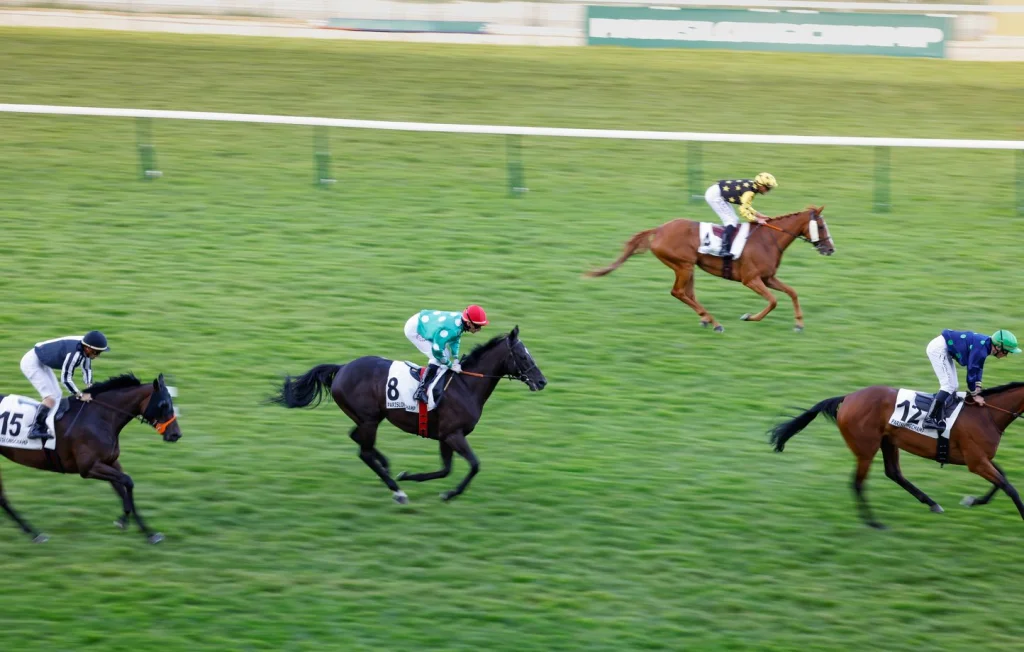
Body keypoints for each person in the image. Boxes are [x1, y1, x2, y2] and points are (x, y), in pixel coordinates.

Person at [923, 328, 1020, 431]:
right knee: (948, 386)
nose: (1005, 355)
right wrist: (975, 394)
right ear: (998, 347)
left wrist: (978, 385)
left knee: (954, 385)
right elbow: (971, 372)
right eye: (1006, 352)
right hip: (938, 349)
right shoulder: (981, 349)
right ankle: (929, 419)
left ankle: (942, 410)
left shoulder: (986, 345)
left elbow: (978, 367)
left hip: (945, 347)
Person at [21, 331, 110, 440]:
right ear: (88, 349)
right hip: (31, 362)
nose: (97, 356)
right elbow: (66, 379)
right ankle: (35, 429)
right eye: (97, 353)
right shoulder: (74, 354)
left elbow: (87, 369)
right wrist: (80, 395)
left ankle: (47, 424)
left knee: (57, 394)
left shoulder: (85, 345)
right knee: (50, 397)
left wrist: (90, 387)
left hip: (42, 360)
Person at [404, 306, 488, 403]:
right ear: (469, 323)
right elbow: (437, 351)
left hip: (424, 321)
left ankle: (435, 382)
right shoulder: (450, 329)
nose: (479, 329)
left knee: (446, 355)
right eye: (477, 326)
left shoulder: (460, 322)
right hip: (415, 329)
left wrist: (456, 358)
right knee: (437, 358)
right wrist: (450, 365)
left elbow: (455, 340)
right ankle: (420, 390)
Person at [703, 172, 778, 258]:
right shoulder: (749, 192)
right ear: (760, 185)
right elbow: (742, 210)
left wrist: (758, 214)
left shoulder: (752, 186)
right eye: (767, 188)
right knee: (731, 220)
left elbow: (746, 205)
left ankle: (724, 243)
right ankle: (723, 249)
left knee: (734, 219)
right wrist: (757, 220)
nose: (768, 190)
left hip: (717, 193)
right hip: (715, 196)